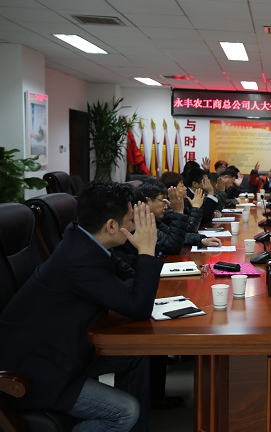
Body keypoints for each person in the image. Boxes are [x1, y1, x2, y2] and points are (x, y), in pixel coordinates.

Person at [0, 182, 162, 432]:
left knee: (134, 353)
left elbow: (131, 280)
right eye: (131, 220)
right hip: (35, 372)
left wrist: (133, 283)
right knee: (125, 412)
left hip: (61, 350)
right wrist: (147, 250)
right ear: (111, 226)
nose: (134, 227)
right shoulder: (80, 259)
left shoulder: (85, 241)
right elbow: (138, 305)